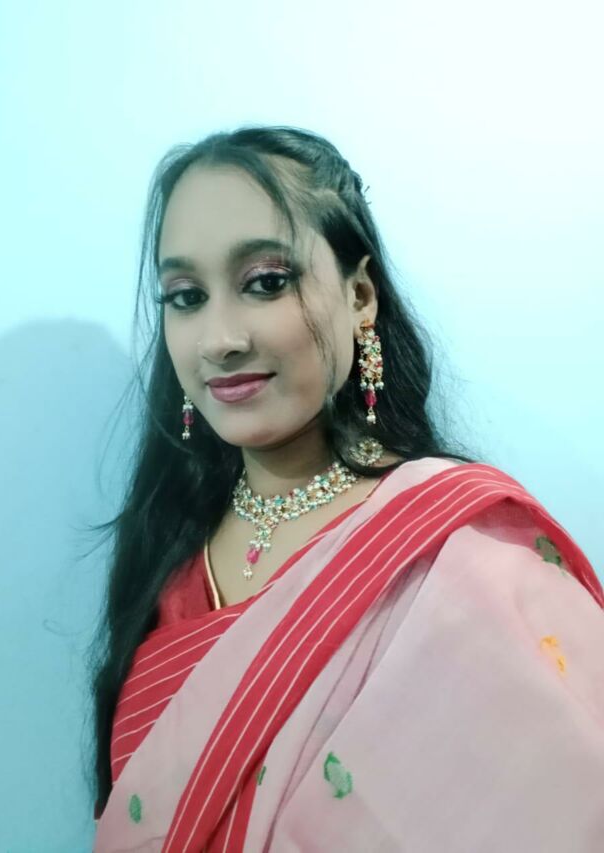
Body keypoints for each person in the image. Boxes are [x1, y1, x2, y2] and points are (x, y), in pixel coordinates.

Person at [88, 125, 604, 852]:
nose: (218, 339)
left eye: (266, 282)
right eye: (186, 296)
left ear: (360, 295)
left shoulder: (464, 554)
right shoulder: (168, 558)